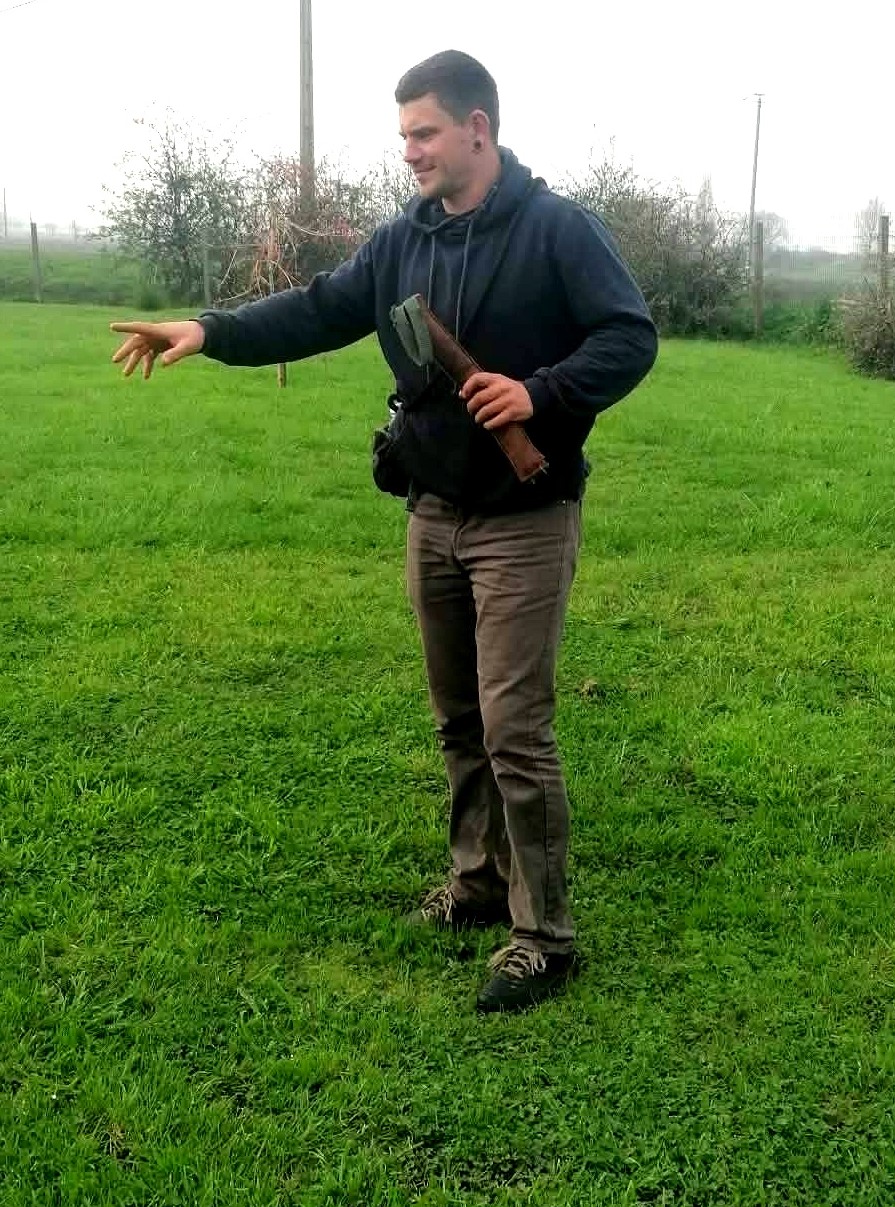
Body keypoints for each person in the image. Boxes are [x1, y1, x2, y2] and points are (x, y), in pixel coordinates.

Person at [110, 49, 658, 1013]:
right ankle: (479, 885)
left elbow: (629, 335)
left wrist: (539, 391)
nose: (408, 152)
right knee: (458, 720)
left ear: (478, 128)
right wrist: (208, 331)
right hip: (432, 509)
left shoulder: (557, 228)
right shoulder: (403, 240)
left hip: (525, 519)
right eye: (403, 134)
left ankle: (546, 938)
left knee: (515, 731)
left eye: (424, 133)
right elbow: (321, 308)